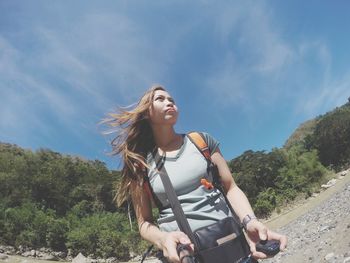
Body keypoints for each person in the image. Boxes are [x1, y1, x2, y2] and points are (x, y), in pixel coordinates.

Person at [104, 85, 287, 263]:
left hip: (232, 244)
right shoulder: (141, 164)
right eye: (160, 99)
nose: (169, 102)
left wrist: (250, 221)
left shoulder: (201, 141)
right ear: (146, 113)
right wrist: (162, 239)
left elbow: (231, 187)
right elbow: (144, 223)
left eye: (171, 99)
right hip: (185, 256)